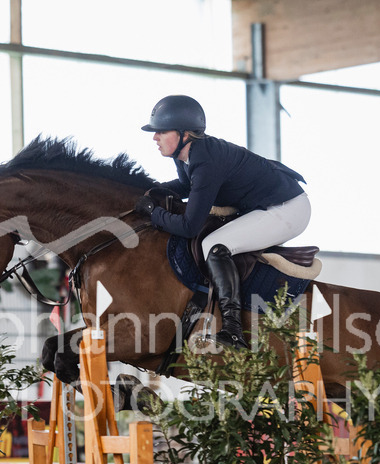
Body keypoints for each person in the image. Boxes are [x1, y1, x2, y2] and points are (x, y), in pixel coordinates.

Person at [133, 94, 311, 349]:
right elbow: (186, 185)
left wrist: (154, 213)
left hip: (288, 209)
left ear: (184, 133)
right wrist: (153, 190)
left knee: (215, 245)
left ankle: (233, 330)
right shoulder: (187, 155)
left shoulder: (204, 160)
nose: (154, 137)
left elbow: (189, 227)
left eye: (161, 131)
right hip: (267, 203)